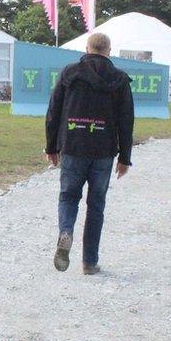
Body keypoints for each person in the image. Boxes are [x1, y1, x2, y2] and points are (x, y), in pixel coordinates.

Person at [45, 32, 134, 275]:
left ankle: (66, 231)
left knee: (68, 196)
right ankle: (89, 262)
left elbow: (53, 111)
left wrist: (51, 147)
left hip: (73, 147)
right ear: (109, 51)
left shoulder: (69, 73)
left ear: (86, 48)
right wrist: (125, 157)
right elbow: (127, 121)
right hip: (104, 152)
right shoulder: (120, 79)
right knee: (96, 205)